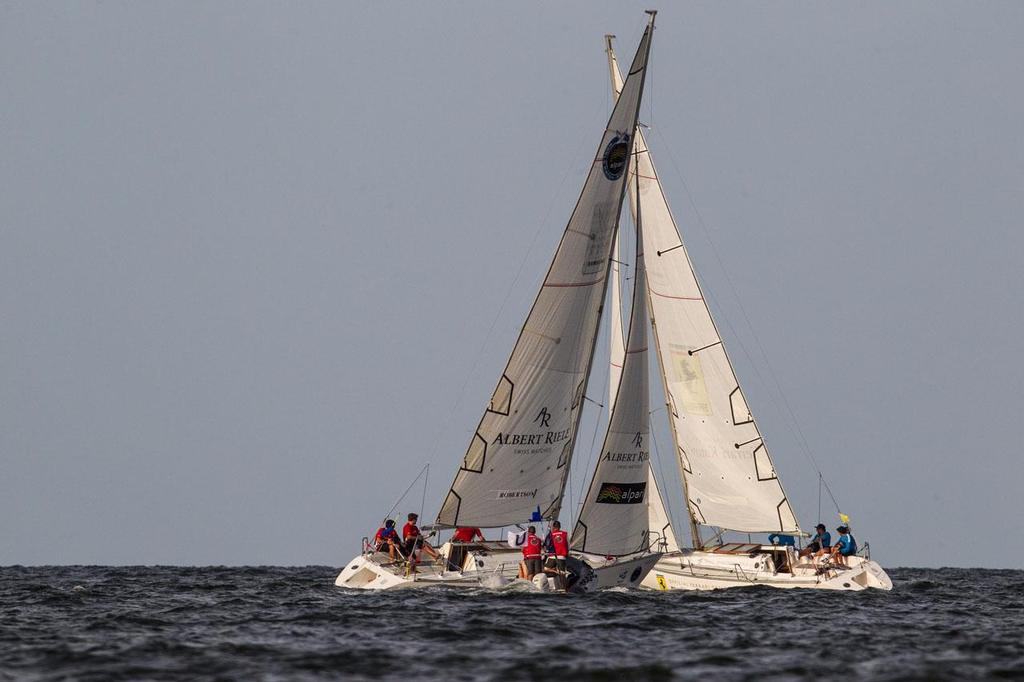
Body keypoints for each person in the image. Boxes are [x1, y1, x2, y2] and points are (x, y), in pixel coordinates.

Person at [543, 520, 570, 591]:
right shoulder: (565, 534)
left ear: (554, 527)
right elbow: (568, 545)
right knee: (562, 573)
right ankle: (565, 589)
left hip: (552, 556)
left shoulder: (551, 535)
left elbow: (547, 546)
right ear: (560, 526)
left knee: (545, 569)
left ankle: (555, 572)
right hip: (562, 556)